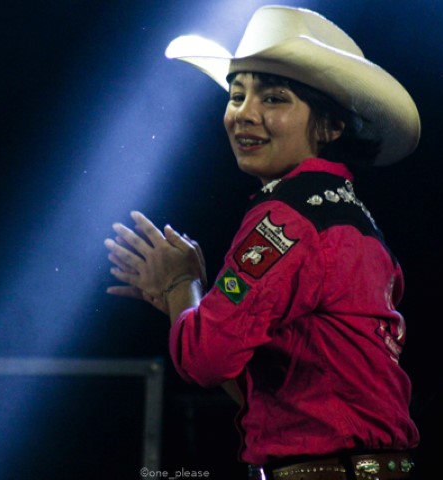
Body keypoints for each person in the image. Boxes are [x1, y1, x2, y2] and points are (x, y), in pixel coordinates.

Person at [104, 5, 420, 480]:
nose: (244, 114)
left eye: (273, 98)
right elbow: (275, 395)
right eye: (236, 95)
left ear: (331, 126)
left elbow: (206, 359)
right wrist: (187, 303)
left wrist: (181, 284)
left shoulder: (286, 220)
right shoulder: (354, 220)